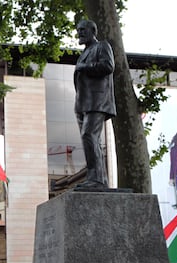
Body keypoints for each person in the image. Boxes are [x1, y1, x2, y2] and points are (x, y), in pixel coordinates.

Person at [73, 19, 116, 191]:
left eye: (83, 29)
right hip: (82, 103)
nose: (80, 33)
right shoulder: (84, 52)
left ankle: (97, 179)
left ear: (93, 30)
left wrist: (85, 66)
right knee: (89, 140)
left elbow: (108, 66)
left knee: (89, 135)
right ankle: (96, 177)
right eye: (78, 30)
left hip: (97, 101)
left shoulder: (102, 46)